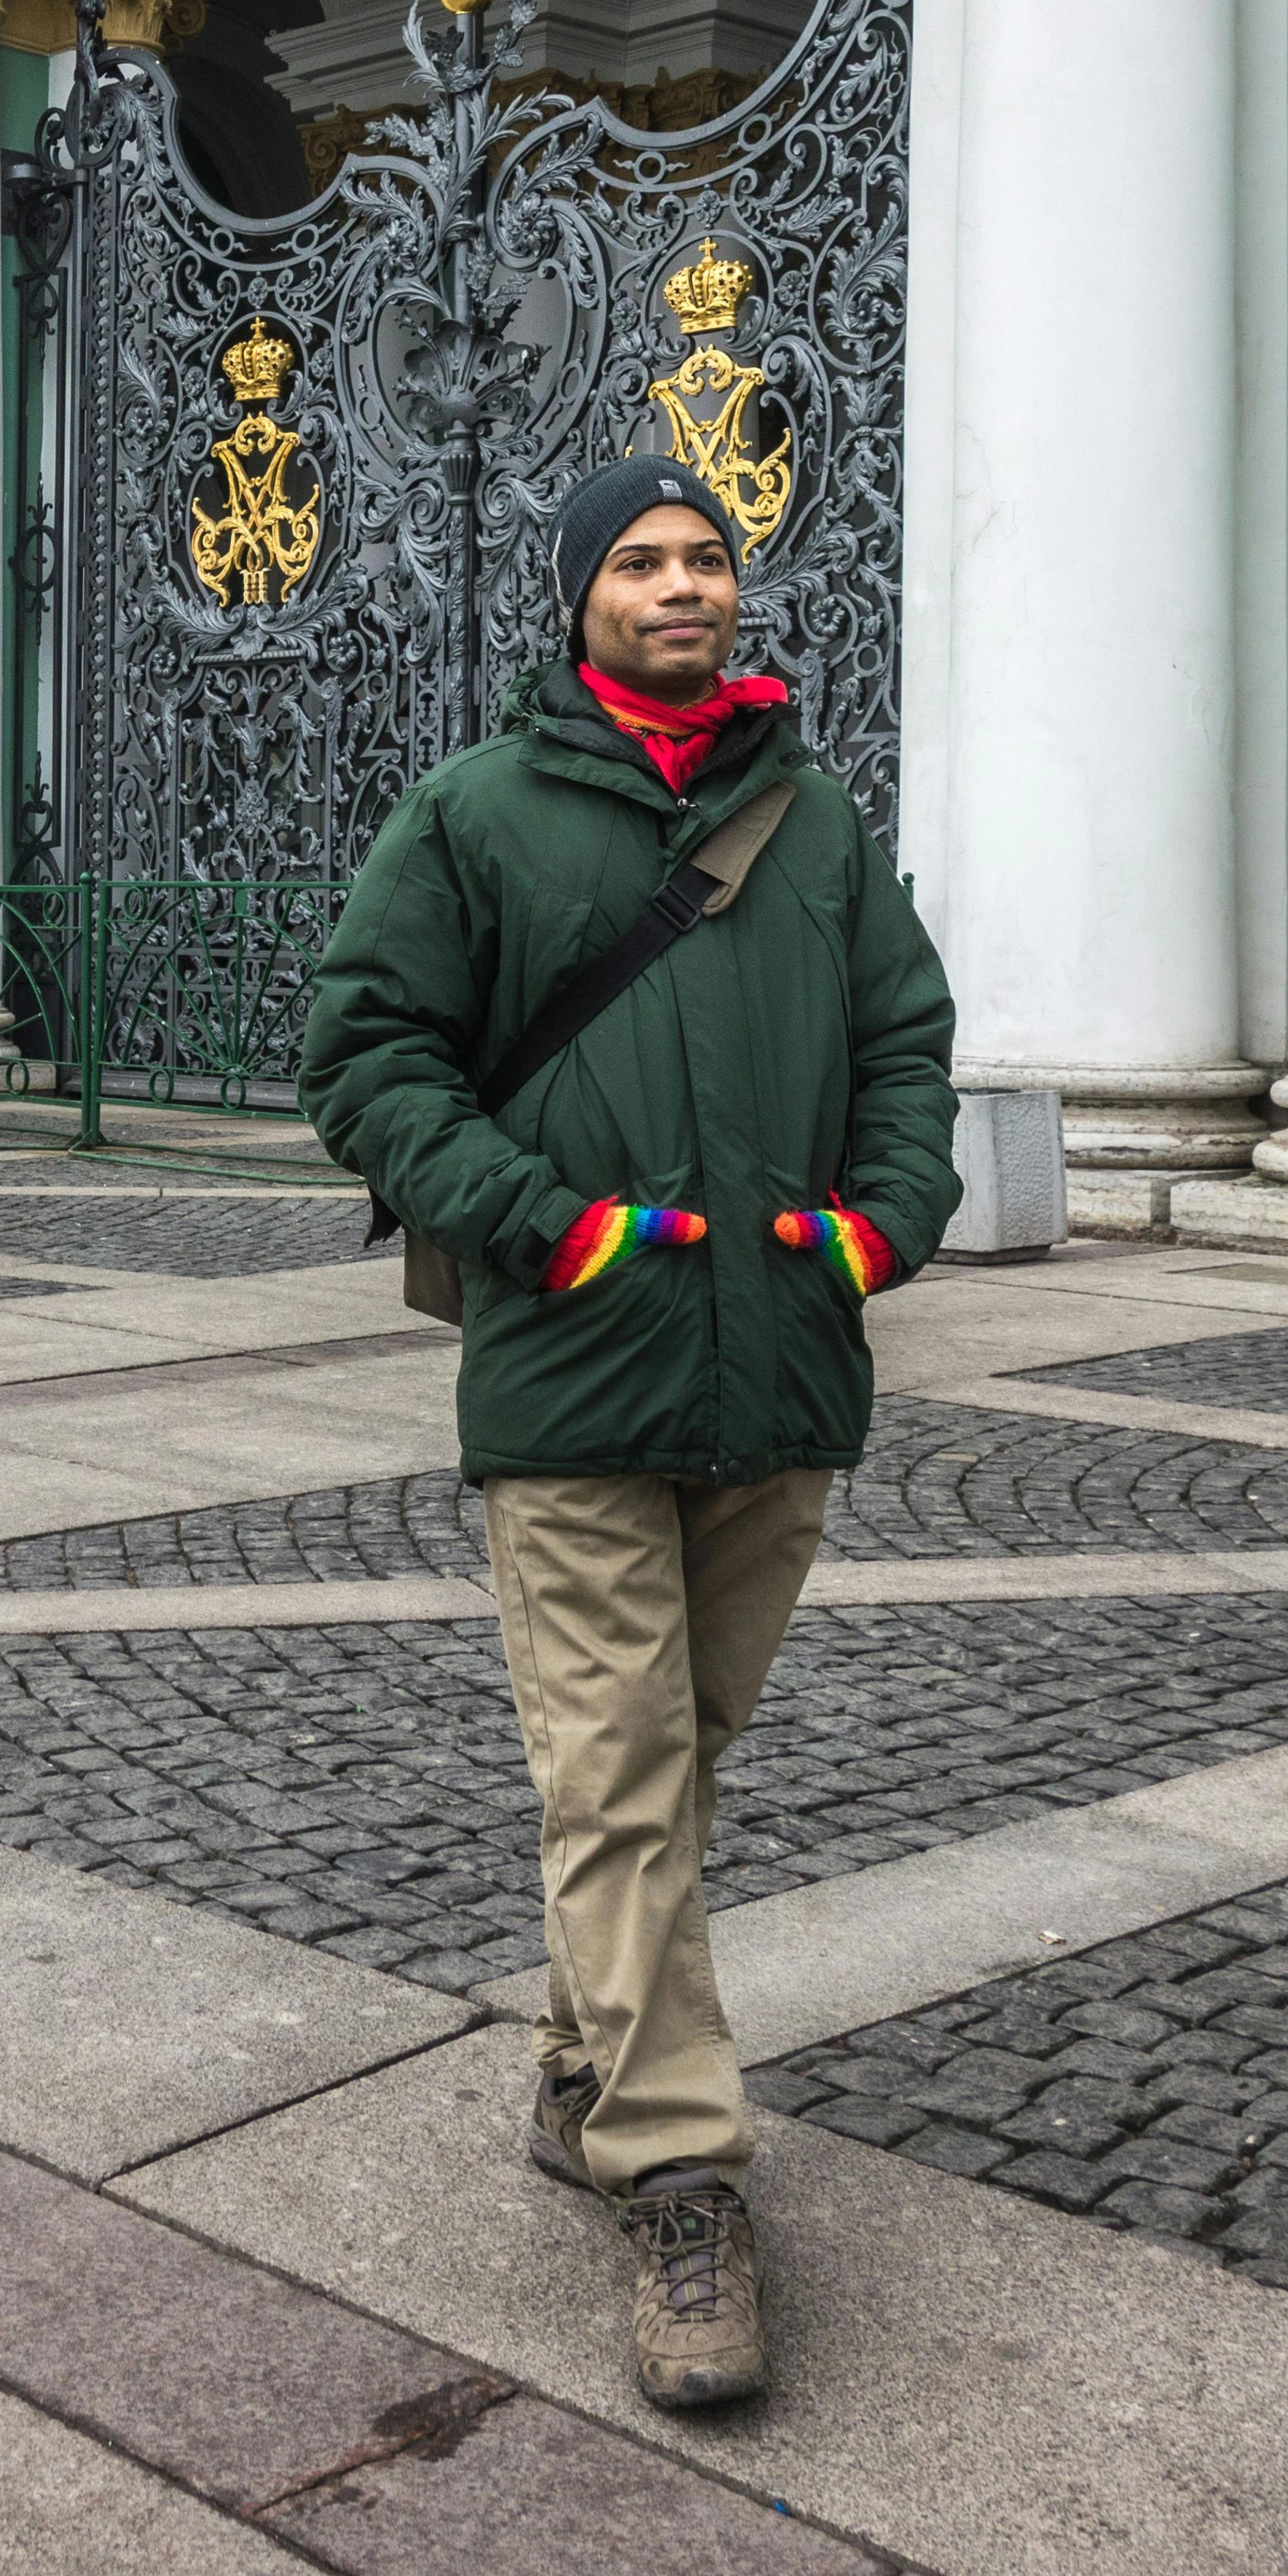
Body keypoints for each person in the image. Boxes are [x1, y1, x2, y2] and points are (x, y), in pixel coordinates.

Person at [299, 453, 959, 2413]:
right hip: (575, 1376)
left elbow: (908, 1042)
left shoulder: (815, 825)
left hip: (779, 1372)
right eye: (646, 560)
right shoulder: (479, 814)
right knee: (619, 1763)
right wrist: (540, 1216)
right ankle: (677, 2171)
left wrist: (880, 1223)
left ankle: (584, 2062)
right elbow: (361, 1049)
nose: (685, 584)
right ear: (582, 598)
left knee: (691, 1750)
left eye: (709, 557)